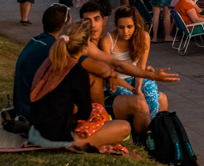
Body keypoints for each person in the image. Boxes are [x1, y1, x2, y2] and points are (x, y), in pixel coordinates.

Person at [28, 19, 132, 152]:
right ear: (84, 46)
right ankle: (93, 143)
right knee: (123, 127)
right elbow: (85, 113)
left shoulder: (50, 62)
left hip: (35, 132)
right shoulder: (77, 71)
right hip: (54, 139)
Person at [99, 6, 168, 119]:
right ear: (116, 25)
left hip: (138, 77)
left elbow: (141, 67)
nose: (125, 31)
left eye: (129, 27)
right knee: (138, 102)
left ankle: (150, 130)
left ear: (136, 25)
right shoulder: (107, 40)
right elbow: (110, 73)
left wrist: (139, 88)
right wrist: (134, 90)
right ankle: (147, 131)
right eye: (121, 27)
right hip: (118, 81)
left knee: (152, 98)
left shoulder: (144, 36)